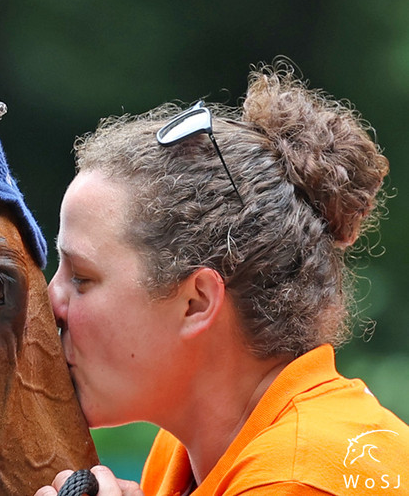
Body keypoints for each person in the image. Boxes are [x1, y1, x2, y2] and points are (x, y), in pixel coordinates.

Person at [35, 62, 409, 495]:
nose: (50, 303)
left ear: (196, 302)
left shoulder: (295, 480)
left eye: (81, 278)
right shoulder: (184, 456)